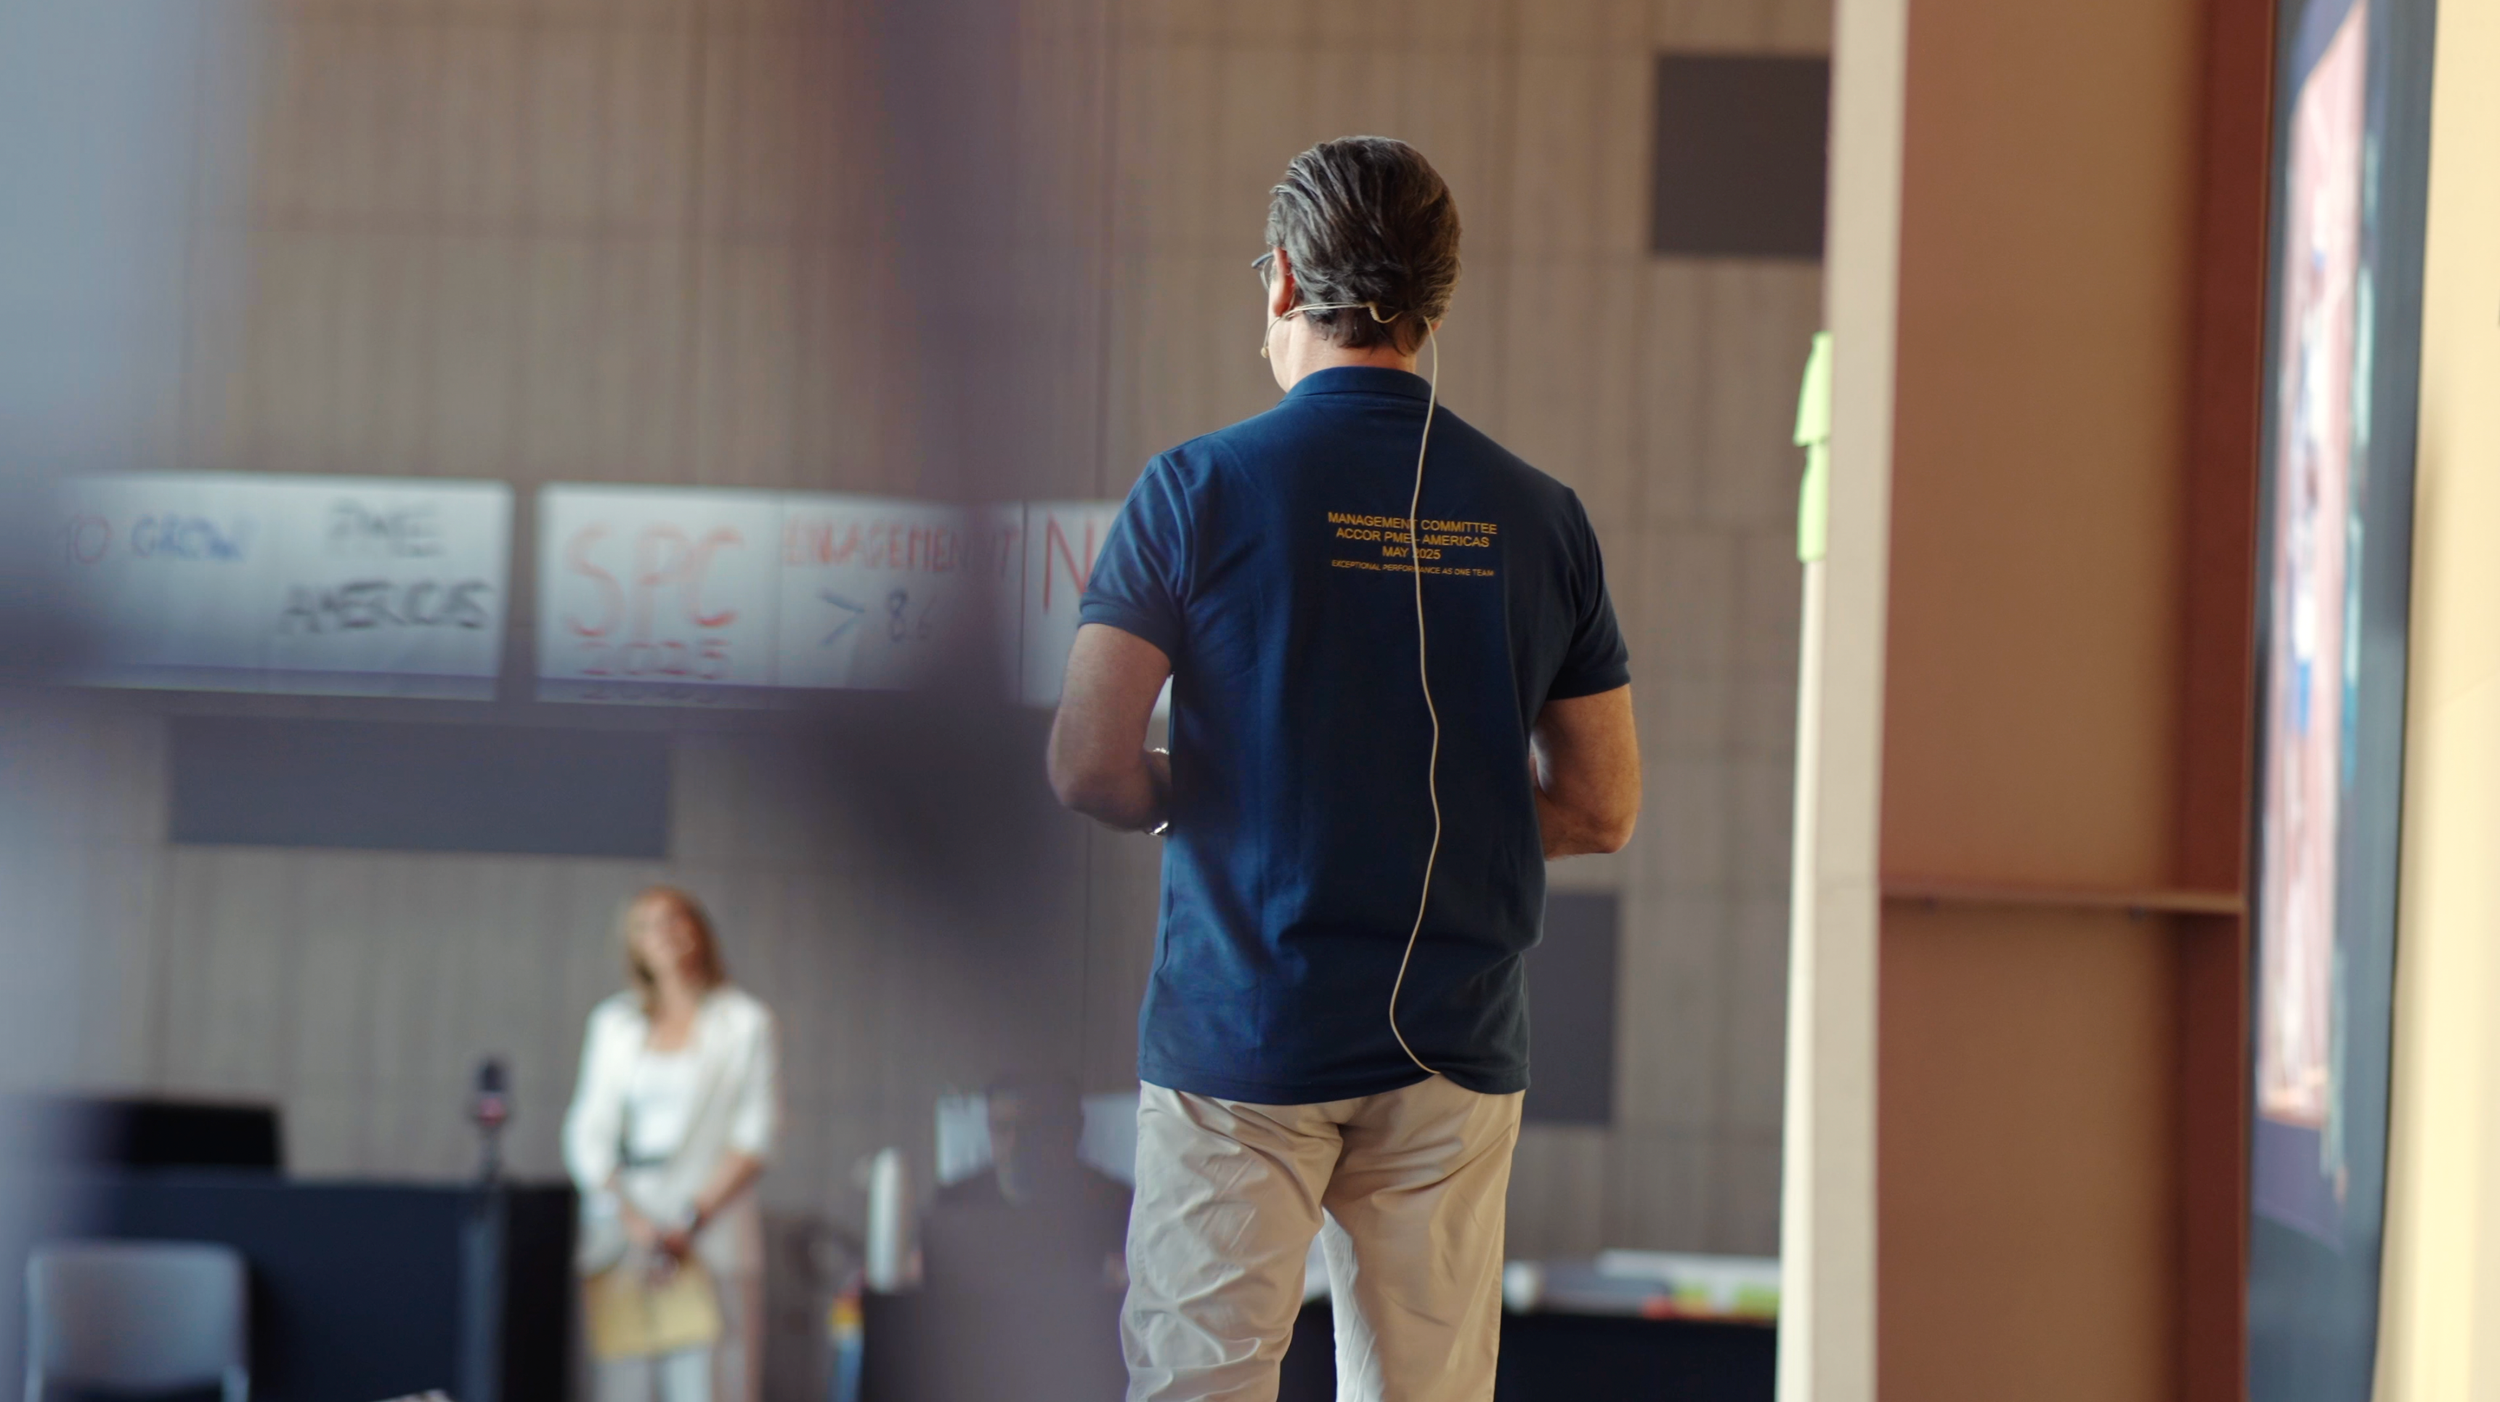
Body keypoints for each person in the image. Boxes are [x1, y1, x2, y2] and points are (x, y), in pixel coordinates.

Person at [1047, 136, 1642, 1402]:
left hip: (1241, 1027)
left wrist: (1220, 802)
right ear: (1436, 302)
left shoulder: (1195, 489)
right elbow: (1601, 805)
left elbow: (1088, 764)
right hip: (1454, 1046)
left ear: (1281, 281)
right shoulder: (1544, 516)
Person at [563, 886, 780, 1402]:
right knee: (622, 1386)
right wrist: (630, 1217)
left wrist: (689, 1219)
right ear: (634, 944)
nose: (663, 933)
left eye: (674, 920)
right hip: (626, 1230)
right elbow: (588, 1132)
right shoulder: (614, 1024)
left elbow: (756, 1133)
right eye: (648, 925)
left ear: (699, 930)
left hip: (709, 1229)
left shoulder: (745, 1022)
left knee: (710, 1384)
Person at [911, 1078, 1133, 1399]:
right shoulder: (955, 1202)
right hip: (982, 1365)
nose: (1015, 1144)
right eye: (1002, 1129)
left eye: (1032, 1130)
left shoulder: (1115, 1203)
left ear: (1072, 1131)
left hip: (1084, 1366)